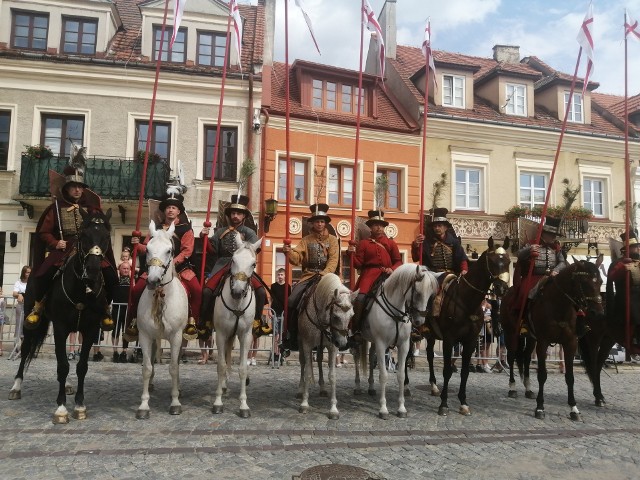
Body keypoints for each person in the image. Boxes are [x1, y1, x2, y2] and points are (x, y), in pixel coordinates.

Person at [23, 166, 117, 331]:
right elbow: (44, 232)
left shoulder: (92, 209)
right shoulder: (55, 209)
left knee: (110, 274)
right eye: (74, 186)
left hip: (88, 249)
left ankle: (105, 309)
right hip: (64, 248)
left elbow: (101, 230)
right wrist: (55, 243)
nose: (77, 190)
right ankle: (38, 306)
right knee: (42, 273)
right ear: (66, 189)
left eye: (80, 187)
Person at [125, 188, 202, 341]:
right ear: (164, 211)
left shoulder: (186, 229)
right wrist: (136, 245)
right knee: (136, 290)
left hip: (180, 269)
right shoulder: (156, 229)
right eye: (168, 207)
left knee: (197, 290)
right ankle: (133, 322)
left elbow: (187, 251)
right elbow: (146, 247)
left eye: (173, 207)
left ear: (178, 211)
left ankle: (192, 322)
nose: (170, 210)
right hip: (155, 267)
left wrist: (172, 263)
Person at [199, 194, 268, 338]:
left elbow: (255, 250)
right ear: (230, 215)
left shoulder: (249, 232)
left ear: (244, 216)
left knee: (261, 292)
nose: (235, 216)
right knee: (206, 291)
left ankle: (257, 321)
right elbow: (212, 251)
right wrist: (203, 238)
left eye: (239, 213)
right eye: (233, 213)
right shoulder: (220, 231)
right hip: (223, 264)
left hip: (242, 266)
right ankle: (205, 323)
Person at [280, 203, 340, 353]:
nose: (319, 224)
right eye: (316, 221)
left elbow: (333, 260)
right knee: (292, 300)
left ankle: (342, 335)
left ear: (325, 223)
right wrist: (288, 252)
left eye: (322, 221)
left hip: (328, 277)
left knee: (343, 302)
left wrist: (325, 274)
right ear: (312, 223)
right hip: (309, 276)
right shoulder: (306, 240)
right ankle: (291, 335)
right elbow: (297, 257)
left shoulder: (333, 240)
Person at [347, 210, 402, 346]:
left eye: (381, 225)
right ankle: (356, 329)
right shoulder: (364, 243)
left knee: (404, 294)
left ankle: (408, 327)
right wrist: (351, 255)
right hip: (369, 274)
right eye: (375, 225)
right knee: (360, 298)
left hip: (388, 275)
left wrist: (392, 269)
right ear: (370, 227)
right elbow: (358, 264)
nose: (379, 228)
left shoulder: (391, 243)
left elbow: (398, 261)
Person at [513, 216, 570, 333]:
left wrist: (556, 270)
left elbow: (562, 262)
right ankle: (524, 322)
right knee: (525, 292)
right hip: (534, 276)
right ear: (544, 233)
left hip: (553, 276)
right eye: (551, 234)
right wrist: (529, 250)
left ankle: (575, 320)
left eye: (554, 235)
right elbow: (518, 255)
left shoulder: (556, 248)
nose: (553, 237)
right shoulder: (532, 243)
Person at [607, 230, 640, 347]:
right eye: (635, 247)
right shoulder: (619, 263)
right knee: (635, 308)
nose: (637, 249)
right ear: (627, 249)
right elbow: (612, 277)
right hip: (626, 295)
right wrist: (623, 267)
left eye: (638, 247)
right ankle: (635, 337)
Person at [411, 207, 469, 275]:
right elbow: (416, 258)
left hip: (450, 275)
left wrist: (464, 270)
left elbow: (462, 259)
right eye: (435, 226)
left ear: (445, 227)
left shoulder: (454, 242)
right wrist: (416, 245)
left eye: (439, 226)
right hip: (432, 275)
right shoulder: (427, 242)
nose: (437, 228)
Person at [111, 262, 131, 363]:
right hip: (116, 308)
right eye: (124, 268)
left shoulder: (132, 280)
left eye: (127, 268)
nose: (126, 270)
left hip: (127, 309)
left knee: (126, 331)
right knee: (116, 330)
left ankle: (124, 351)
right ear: (120, 269)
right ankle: (115, 351)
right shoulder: (116, 280)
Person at [270, 268, 290, 365]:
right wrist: (269, 310)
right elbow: (271, 299)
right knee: (276, 334)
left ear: (285, 276)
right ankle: (276, 354)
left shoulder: (288, 287)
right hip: (275, 313)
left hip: (283, 314)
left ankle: (282, 355)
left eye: (282, 275)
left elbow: (289, 301)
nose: (280, 277)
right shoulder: (273, 286)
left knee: (282, 335)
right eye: (279, 275)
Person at [12, 266, 30, 342]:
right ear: (24, 273)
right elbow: (14, 293)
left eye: (30, 272)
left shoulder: (32, 282)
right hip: (21, 305)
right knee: (20, 324)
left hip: (30, 306)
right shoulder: (18, 282)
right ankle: (17, 343)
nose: (29, 274)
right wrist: (19, 294)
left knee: (29, 325)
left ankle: (27, 343)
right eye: (27, 272)